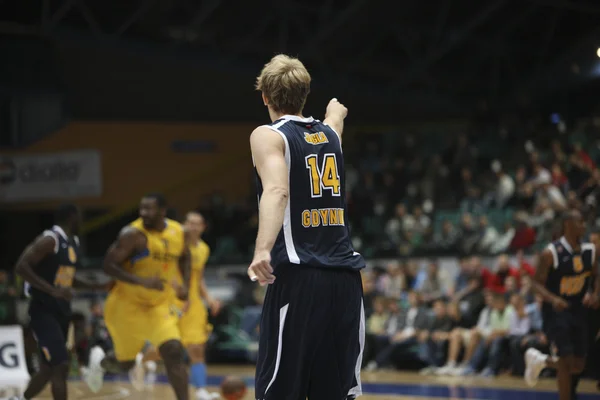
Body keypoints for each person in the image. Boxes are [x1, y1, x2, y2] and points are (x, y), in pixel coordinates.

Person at [248, 54, 365, 400]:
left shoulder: (269, 136)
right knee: (335, 392)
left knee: (279, 392)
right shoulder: (330, 135)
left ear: (265, 97)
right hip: (345, 282)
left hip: (301, 278)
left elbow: (277, 190)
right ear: (305, 93)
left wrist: (262, 249)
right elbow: (334, 119)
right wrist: (336, 110)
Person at [83, 194, 191, 400]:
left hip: (158, 305)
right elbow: (108, 265)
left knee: (173, 351)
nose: (144, 214)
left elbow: (185, 256)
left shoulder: (178, 232)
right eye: (141, 209)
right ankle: (99, 363)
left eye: (149, 209)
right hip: (126, 306)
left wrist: (184, 283)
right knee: (126, 364)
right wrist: (142, 281)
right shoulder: (132, 234)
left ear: (163, 211)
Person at [14, 204, 98, 400]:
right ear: (71, 217)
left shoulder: (73, 242)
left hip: (62, 312)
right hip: (43, 311)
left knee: (47, 369)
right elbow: (21, 267)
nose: (81, 221)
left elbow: (68, 279)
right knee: (61, 365)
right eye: (79, 217)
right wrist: (53, 290)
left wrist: (100, 287)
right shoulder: (50, 239)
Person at [141, 211, 221, 400]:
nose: (193, 226)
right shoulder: (175, 245)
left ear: (203, 227)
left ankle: (200, 390)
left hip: (193, 304)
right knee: (165, 348)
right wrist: (179, 294)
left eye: (197, 223)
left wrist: (209, 299)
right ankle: (140, 360)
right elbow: (165, 271)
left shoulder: (204, 249)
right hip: (172, 300)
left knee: (197, 347)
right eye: (189, 222)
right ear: (184, 224)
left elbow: (198, 278)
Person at [525, 209, 599, 400]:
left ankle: (541, 361)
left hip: (578, 310)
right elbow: (534, 284)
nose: (584, 226)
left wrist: (594, 292)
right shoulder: (551, 253)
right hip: (556, 313)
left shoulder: (590, 251)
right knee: (566, 363)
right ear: (567, 225)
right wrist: (553, 299)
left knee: (578, 365)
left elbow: (597, 275)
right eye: (580, 222)